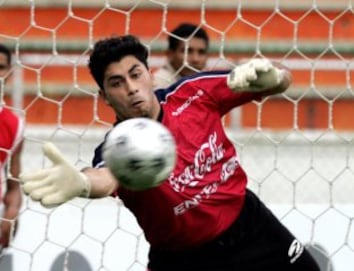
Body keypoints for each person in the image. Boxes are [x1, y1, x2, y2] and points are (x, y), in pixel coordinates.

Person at [20, 35, 320, 271]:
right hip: (185, 260)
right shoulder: (119, 147)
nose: (132, 88)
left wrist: (275, 79)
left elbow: (277, 80)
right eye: (116, 83)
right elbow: (105, 177)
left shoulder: (193, 93)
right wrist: (82, 183)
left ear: (150, 75)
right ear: (105, 97)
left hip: (250, 228)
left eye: (135, 74)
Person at [0, 43, 24, 251]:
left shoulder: (14, 126)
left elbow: (14, 186)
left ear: (9, 72)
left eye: (0, 67)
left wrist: (12, 210)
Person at [153, 23, 209, 89]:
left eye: (201, 52)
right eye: (188, 51)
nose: (195, 59)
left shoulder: (206, 83)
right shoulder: (158, 85)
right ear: (170, 54)